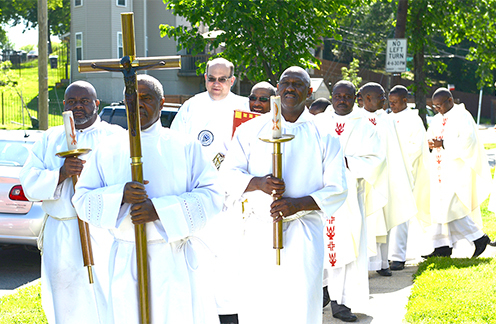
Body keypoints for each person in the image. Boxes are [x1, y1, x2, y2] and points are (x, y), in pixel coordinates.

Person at [72, 75, 224, 324]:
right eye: (131, 98)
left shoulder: (184, 145)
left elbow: (212, 195)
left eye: (146, 98)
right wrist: (119, 196)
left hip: (172, 258)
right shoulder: (108, 148)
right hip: (126, 255)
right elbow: (82, 200)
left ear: (162, 102)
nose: (137, 104)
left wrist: (160, 210)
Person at [220, 66, 348, 324]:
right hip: (259, 230)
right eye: (285, 83)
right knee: (259, 302)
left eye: (298, 84)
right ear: (277, 90)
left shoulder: (323, 134)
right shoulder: (250, 130)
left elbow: (337, 189)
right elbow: (226, 175)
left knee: (300, 303)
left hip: (303, 231)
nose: (290, 88)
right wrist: (258, 183)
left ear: (309, 92)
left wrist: (297, 204)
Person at [20, 81, 122, 323]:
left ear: (97, 104)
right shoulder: (50, 138)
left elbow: (125, 181)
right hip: (62, 231)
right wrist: (60, 173)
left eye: (85, 101)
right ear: (64, 105)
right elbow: (29, 181)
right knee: (64, 297)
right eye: (72, 101)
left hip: (101, 230)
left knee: (104, 293)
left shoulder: (115, 136)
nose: (78, 106)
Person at [170, 58, 248, 324]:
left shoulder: (244, 107)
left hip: (232, 197)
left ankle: (230, 316)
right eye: (211, 78)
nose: (216, 84)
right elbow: (176, 146)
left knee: (230, 260)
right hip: (198, 195)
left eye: (222, 79)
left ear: (232, 81)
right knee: (199, 260)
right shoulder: (191, 106)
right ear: (204, 78)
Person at [322, 80, 386, 322]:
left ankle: (342, 302)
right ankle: (323, 293)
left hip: (348, 196)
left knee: (346, 248)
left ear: (355, 98)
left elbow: (377, 159)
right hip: (319, 195)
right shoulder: (320, 122)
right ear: (331, 98)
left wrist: (346, 162)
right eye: (337, 96)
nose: (341, 100)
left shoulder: (365, 126)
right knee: (320, 247)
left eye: (346, 96)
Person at [424, 87, 494, 258]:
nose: (437, 109)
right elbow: (431, 137)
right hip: (439, 167)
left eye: (439, 105)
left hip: (456, 169)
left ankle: (479, 238)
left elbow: (468, 141)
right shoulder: (437, 119)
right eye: (435, 106)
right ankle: (441, 246)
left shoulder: (463, 116)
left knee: (452, 207)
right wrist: (431, 144)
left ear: (450, 100)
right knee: (440, 207)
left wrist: (444, 143)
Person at [387, 85, 430, 270]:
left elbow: (417, 146)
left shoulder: (414, 119)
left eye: (395, 102)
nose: (392, 106)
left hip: (405, 171)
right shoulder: (387, 118)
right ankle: (385, 256)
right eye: (390, 103)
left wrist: (400, 160)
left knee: (402, 213)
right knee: (387, 213)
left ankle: (398, 256)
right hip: (387, 171)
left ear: (405, 100)